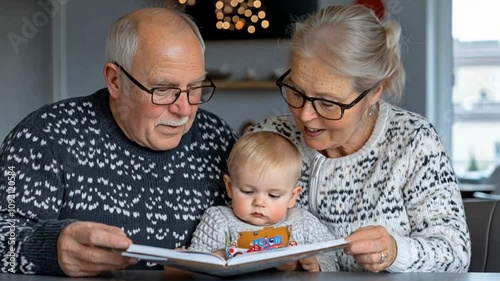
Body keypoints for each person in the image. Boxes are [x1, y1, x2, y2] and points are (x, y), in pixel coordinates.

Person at [0, 8, 237, 277]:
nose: (184, 110)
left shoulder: (216, 137)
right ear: (115, 81)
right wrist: (52, 248)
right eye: (163, 90)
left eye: (194, 88)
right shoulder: (44, 136)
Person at [250, 5, 471, 272]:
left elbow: (455, 252)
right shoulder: (268, 139)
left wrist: (395, 251)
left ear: (374, 92)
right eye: (296, 92)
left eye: (327, 103)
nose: (306, 115)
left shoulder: (413, 142)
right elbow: (229, 234)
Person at [188, 131, 338, 272]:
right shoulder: (218, 220)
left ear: (293, 196)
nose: (259, 202)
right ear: (229, 186)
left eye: (273, 195)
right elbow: (195, 262)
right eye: (247, 191)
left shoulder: (303, 223)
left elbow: (332, 258)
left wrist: (315, 266)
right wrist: (216, 258)